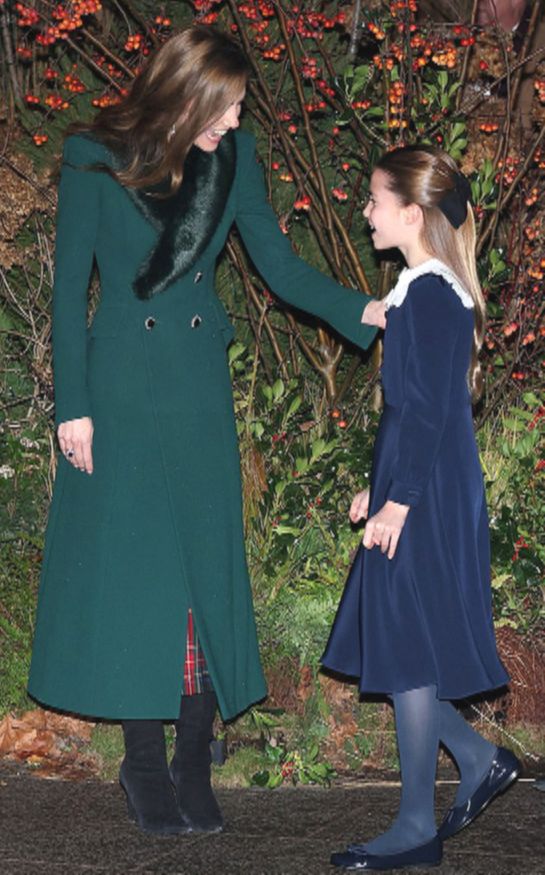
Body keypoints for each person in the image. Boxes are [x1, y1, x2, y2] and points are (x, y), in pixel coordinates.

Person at [28, 26, 384, 837]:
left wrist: (363, 308)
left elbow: (278, 267)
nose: (234, 121)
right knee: (138, 577)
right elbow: (68, 288)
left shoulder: (235, 159)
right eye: (223, 107)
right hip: (118, 392)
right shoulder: (92, 156)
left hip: (194, 389)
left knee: (200, 578)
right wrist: (71, 405)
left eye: (239, 108)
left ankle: (192, 760)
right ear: (183, 94)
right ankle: (142, 762)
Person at [322, 145, 521, 871]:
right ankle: (477, 760)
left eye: (375, 200)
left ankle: (416, 825)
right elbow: (410, 412)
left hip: (428, 495)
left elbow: (432, 411)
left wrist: (399, 501)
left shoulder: (434, 293)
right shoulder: (417, 291)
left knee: (408, 644)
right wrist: (379, 488)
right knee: (404, 640)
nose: (365, 211)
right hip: (419, 485)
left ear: (411, 212)